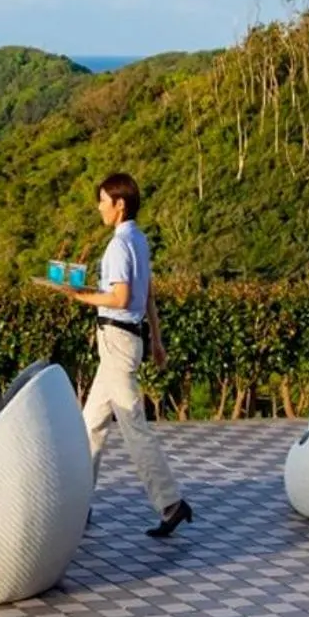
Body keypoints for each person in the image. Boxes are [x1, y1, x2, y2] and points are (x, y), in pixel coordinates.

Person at [63, 172, 193, 538]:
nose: (99, 206)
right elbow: (145, 293)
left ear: (119, 205)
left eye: (103, 200)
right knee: (90, 425)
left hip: (117, 341)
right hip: (124, 340)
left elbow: (119, 298)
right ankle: (78, 504)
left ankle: (170, 502)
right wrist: (156, 339)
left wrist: (80, 297)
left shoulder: (119, 246)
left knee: (133, 425)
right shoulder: (139, 239)